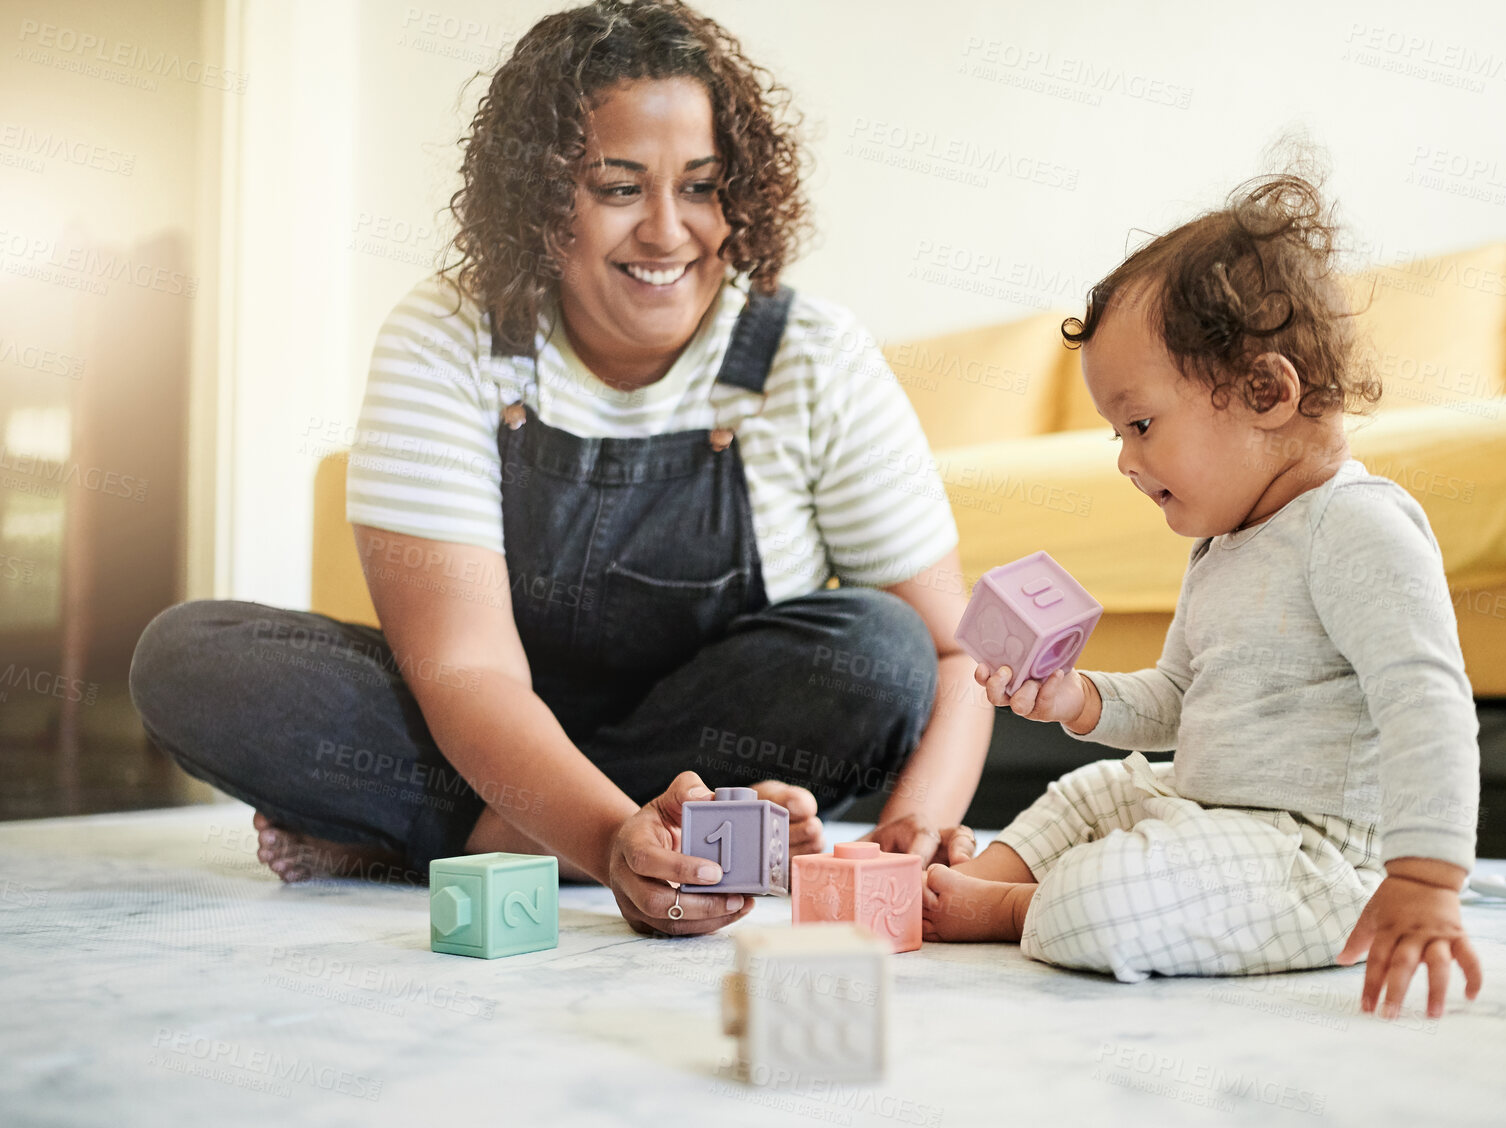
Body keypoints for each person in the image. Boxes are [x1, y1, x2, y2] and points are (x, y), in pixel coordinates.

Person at [129, 0, 990, 938]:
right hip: (476, 725)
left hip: (709, 725)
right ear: (539, 198)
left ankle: (442, 844)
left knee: (879, 652)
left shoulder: (812, 353)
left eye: (702, 187)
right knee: (190, 661)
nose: (667, 231)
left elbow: (955, 652)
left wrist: (917, 830)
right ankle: (624, 843)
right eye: (619, 188)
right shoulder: (444, 337)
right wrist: (615, 836)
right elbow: (467, 667)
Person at [920, 173, 1485, 1019]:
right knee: (1091, 790)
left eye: (1140, 424)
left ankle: (1009, 909)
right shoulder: (1223, 544)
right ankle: (961, 882)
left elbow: (1426, 702)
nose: (1124, 459)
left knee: (1110, 898)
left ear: (1266, 392)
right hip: (1208, 814)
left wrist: (1425, 877)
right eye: (1118, 434)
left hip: (1313, 863)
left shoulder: (1355, 525)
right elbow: (1179, 697)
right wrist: (1075, 698)